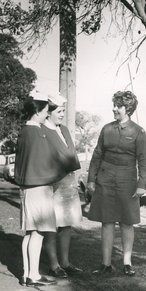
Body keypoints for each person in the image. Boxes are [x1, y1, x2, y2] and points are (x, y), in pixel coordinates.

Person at [86, 91, 146, 276]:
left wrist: (141, 184)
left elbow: (144, 161)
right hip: (105, 180)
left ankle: (127, 263)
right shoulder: (106, 129)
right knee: (107, 222)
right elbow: (97, 155)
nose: (114, 108)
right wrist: (91, 179)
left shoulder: (138, 132)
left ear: (127, 108)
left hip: (127, 182)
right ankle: (105, 264)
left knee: (126, 222)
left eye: (117, 106)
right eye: (114, 105)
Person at [14, 92, 65, 287]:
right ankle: (33, 275)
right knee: (39, 232)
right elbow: (46, 163)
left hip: (28, 187)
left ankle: (28, 274)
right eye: (45, 111)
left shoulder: (25, 131)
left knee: (30, 232)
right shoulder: (36, 132)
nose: (47, 115)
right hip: (39, 187)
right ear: (37, 112)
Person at [41, 92, 84, 278]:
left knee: (66, 223)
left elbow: (70, 154)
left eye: (64, 110)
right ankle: (53, 264)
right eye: (59, 111)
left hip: (68, 182)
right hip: (52, 184)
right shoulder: (42, 130)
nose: (62, 114)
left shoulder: (65, 129)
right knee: (52, 225)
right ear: (48, 112)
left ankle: (65, 263)